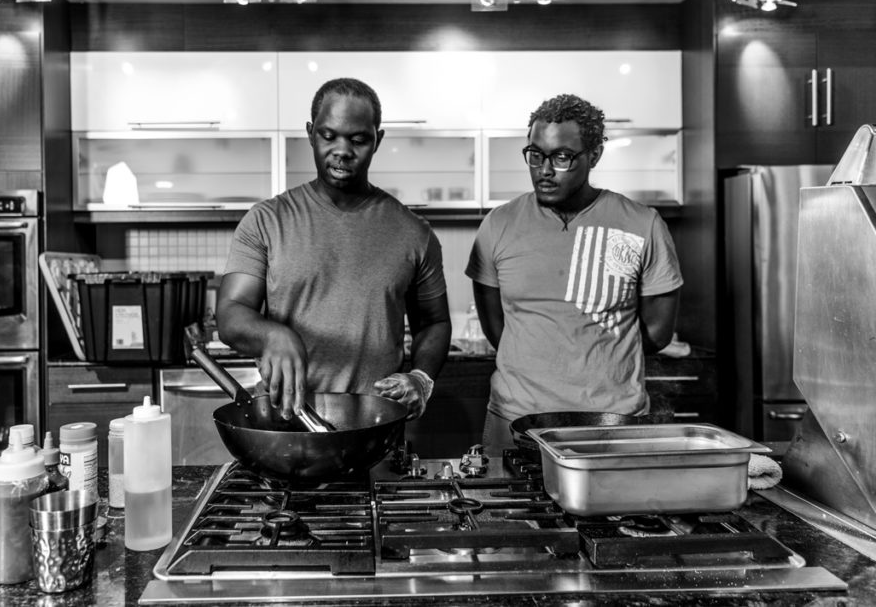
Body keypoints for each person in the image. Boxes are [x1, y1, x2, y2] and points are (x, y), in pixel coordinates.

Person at [216, 77, 451, 422]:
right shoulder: (267, 220)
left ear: (377, 140)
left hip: (375, 428)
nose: (342, 150)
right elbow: (230, 313)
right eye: (329, 136)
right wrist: (271, 335)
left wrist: (421, 377)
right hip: (287, 423)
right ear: (311, 133)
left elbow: (435, 322)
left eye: (358, 139)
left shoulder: (414, 233)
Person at [466, 93, 682, 454]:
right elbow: (496, 326)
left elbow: (657, 333)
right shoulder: (498, 224)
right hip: (516, 421)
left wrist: (595, 352)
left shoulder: (642, 224)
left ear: (594, 155)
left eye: (561, 157)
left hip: (612, 425)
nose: (545, 170)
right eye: (535, 155)